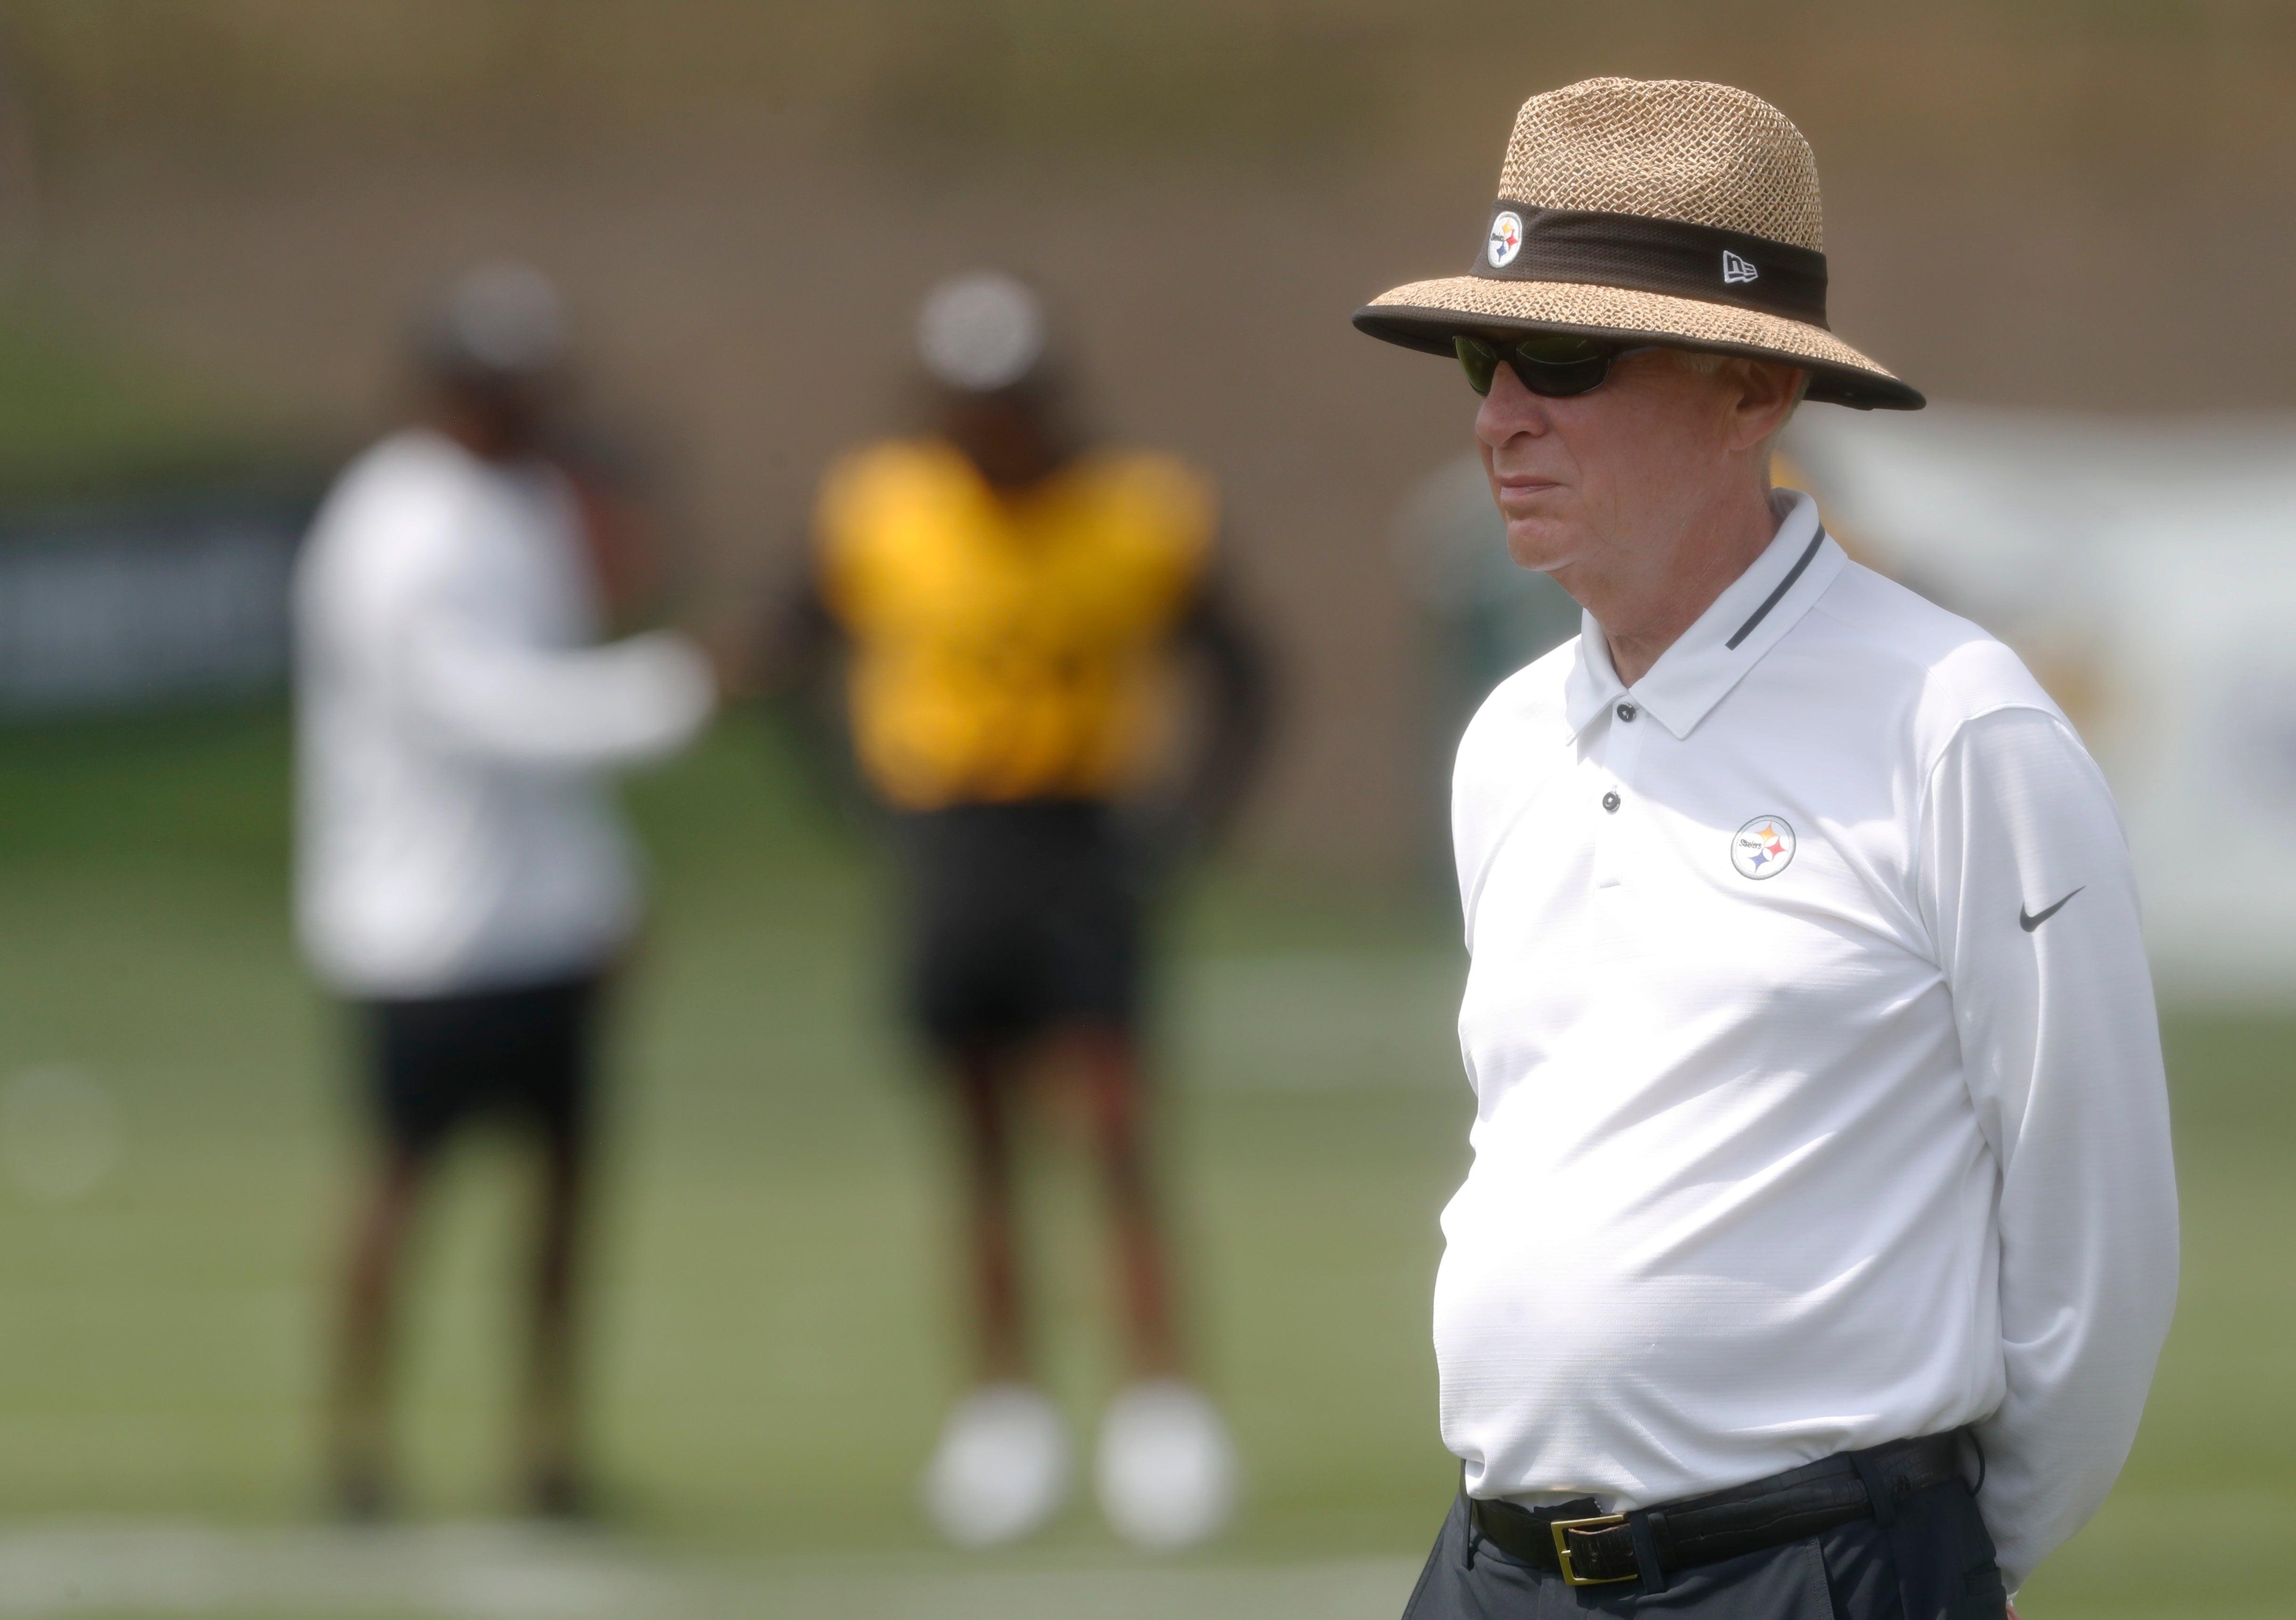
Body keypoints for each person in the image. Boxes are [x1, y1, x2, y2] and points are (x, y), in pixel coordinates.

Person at [1351, 79, 2177, 1618]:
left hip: (1821, 1579)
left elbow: (2098, 1246)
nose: (1498, 413)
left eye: (1568, 358)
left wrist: (1917, 1571)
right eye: (1485, 354)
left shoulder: (1958, 724)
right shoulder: (1509, 740)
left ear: (1752, 389)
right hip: (1493, 1574)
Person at [767, 270, 1271, 1549]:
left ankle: (1162, 1414)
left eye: (1009, 402)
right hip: (953, 842)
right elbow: (795, 649)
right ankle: (1006, 1416)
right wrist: (863, 809)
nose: (990, 428)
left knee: (1112, 1133)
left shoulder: (1138, 512)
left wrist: (1190, 825)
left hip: (1081, 839)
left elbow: (1247, 670)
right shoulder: (881, 508)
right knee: (979, 1145)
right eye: (966, 404)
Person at [295, 263, 715, 1519]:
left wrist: (606, 883)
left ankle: (547, 1449)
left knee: (564, 1192)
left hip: (540, 916)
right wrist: (674, 691)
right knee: (401, 1184)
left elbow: (545, 708)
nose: (522, 413)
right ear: (446, 392)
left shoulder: (526, 503)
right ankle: (355, 1446)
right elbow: (483, 712)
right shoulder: (391, 531)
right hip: (420, 922)